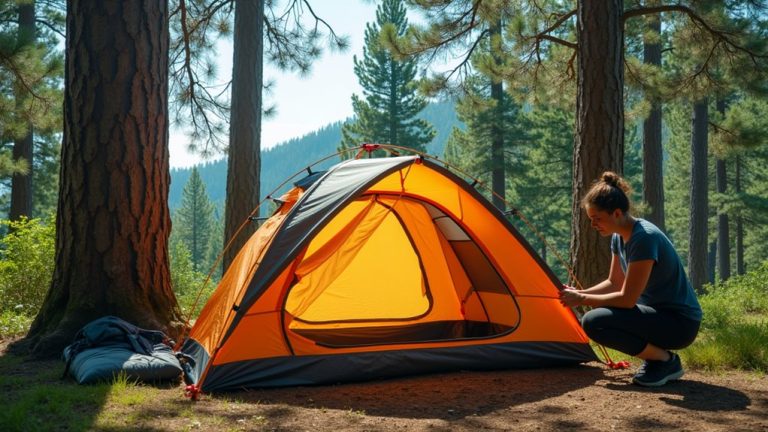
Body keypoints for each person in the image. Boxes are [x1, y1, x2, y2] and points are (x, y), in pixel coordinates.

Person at [559, 171, 702, 387]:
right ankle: (659, 360)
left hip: (680, 323)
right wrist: (580, 294)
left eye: (597, 219)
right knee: (596, 318)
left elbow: (627, 299)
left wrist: (581, 299)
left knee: (594, 322)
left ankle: (665, 361)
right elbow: (614, 282)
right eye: (591, 220)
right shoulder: (619, 236)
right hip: (657, 315)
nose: (593, 225)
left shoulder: (644, 238)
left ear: (616, 213)